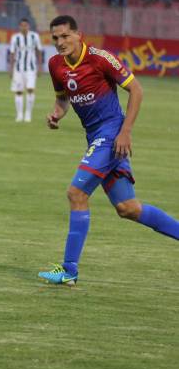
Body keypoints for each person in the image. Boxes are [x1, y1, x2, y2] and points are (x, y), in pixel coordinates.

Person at [39, 15, 179, 285]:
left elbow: (136, 90)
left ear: (79, 34)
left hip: (112, 134)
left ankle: (69, 270)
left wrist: (125, 132)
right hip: (96, 139)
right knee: (128, 208)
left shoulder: (100, 58)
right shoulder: (55, 65)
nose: (60, 42)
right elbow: (63, 98)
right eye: (55, 38)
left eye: (65, 36)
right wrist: (56, 114)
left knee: (76, 192)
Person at [8, 18, 43, 122]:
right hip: (18, 69)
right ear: (19, 26)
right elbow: (12, 53)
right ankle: (19, 115)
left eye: (26, 25)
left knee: (30, 89)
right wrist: (11, 68)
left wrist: (40, 66)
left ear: (29, 26)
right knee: (18, 92)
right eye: (22, 25)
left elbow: (39, 51)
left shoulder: (34, 36)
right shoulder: (15, 38)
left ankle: (28, 114)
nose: (24, 27)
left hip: (31, 69)